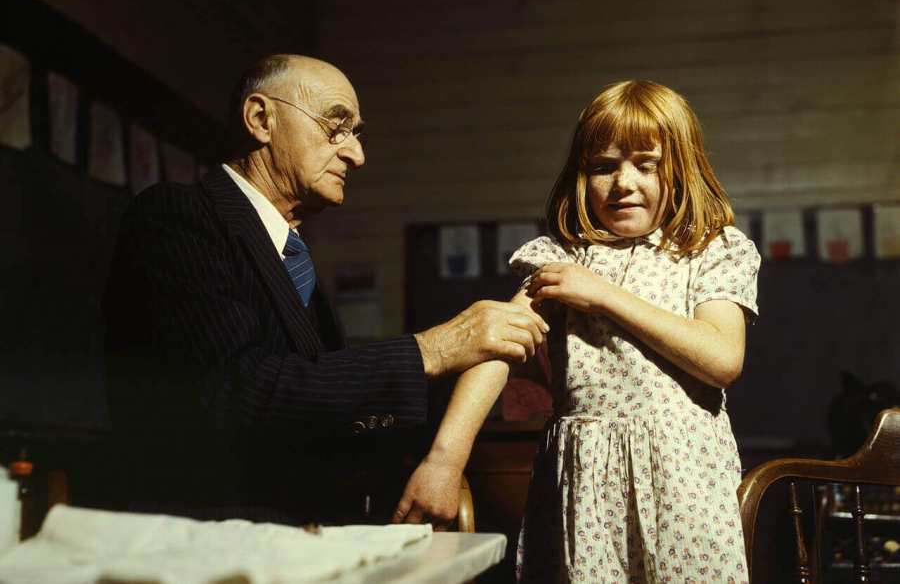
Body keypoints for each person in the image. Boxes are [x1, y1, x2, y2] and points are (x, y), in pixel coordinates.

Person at [101, 54, 548, 527]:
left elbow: (321, 408)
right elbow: (234, 393)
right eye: (336, 128)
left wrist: (447, 445)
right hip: (210, 543)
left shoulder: (292, 257)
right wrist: (435, 349)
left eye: (357, 135)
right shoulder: (177, 217)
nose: (356, 155)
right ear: (260, 119)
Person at [422, 80, 760, 581]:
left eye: (646, 164)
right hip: (582, 482)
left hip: (684, 481)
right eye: (603, 166)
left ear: (681, 170)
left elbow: (722, 359)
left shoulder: (711, 251)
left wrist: (603, 294)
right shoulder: (562, 259)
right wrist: (444, 461)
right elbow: (497, 350)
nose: (623, 182)